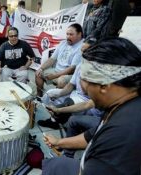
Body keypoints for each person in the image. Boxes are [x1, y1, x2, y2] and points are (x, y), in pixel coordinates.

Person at [42, 37, 141, 175]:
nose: (85, 89)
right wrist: (59, 142)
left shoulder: (122, 135)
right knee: (53, 164)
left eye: (85, 82)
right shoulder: (120, 105)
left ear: (104, 86)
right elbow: (92, 135)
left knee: (52, 168)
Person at [35, 23, 83, 96]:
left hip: (70, 75)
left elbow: (72, 69)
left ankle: (56, 101)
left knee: (61, 81)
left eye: (71, 34)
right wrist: (41, 68)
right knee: (38, 73)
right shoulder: (63, 43)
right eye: (67, 34)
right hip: (56, 71)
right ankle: (39, 96)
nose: (68, 37)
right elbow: (52, 59)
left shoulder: (81, 47)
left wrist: (55, 76)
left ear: (79, 34)